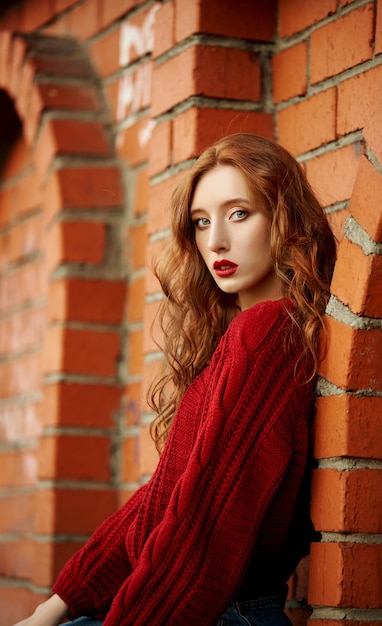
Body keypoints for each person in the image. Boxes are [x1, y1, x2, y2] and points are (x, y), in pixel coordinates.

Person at [13, 133, 336, 626]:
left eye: (239, 213)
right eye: (202, 222)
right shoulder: (242, 339)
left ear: (285, 220)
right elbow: (162, 499)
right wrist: (54, 608)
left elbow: (202, 529)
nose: (215, 242)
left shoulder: (267, 332)